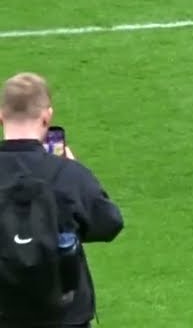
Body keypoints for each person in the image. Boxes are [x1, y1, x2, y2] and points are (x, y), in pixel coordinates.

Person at [0, 72, 124, 328]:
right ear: (47, 116)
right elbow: (109, 223)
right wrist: (76, 172)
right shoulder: (67, 174)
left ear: (1, 116)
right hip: (63, 314)